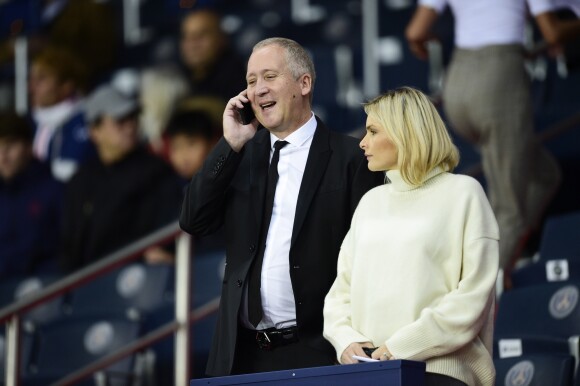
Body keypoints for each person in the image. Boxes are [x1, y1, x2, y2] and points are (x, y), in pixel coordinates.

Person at [179, 37, 383, 376]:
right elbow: (193, 220)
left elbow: (372, 259)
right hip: (242, 355)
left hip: (319, 350)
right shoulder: (239, 156)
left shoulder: (352, 158)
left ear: (304, 83)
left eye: (269, 76)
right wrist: (230, 143)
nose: (258, 89)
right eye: (251, 81)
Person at [323, 87, 499, 386]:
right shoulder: (370, 202)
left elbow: (472, 297)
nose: (363, 142)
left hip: (439, 373)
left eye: (373, 131)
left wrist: (399, 348)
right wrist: (346, 341)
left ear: (406, 133)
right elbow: (340, 293)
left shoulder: (464, 193)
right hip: (369, 373)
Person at [405, 0, 573, 276]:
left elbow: (415, 32)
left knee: (543, 174)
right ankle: (481, 289)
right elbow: (552, 32)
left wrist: (424, 43)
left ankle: (492, 256)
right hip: (498, 79)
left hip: (458, 83)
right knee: (510, 209)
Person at [60, 85, 182, 272]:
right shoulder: (80, 180)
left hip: (138, 277)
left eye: (133, 118)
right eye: (120, 121)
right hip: (85, 285)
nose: (130, 126)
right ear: (95, 131)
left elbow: (165, 233)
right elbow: (68, 245)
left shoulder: (156, 171)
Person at [0, 111, 62, 279]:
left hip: (42, 292)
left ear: (29, 147)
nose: (3, 156)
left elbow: (66, 252)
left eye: (10, 145)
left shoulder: (55, 192)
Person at [29, 46, 96, 182]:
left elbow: (69, 173)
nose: (32, 87)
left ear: (67, 86)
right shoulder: (29, 122)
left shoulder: (87, 120)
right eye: (31, 78)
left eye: (41, 79)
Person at [179, 8, 247, 104]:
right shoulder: (176, 77)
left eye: (201, 35)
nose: (192, 44)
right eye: (187, 36)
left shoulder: (239, 77)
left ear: (221, 38)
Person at [164, 108, 219, 182]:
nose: (183, 155)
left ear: (211, 144)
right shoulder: (165, 186)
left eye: (191, 144)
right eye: (176, 147)